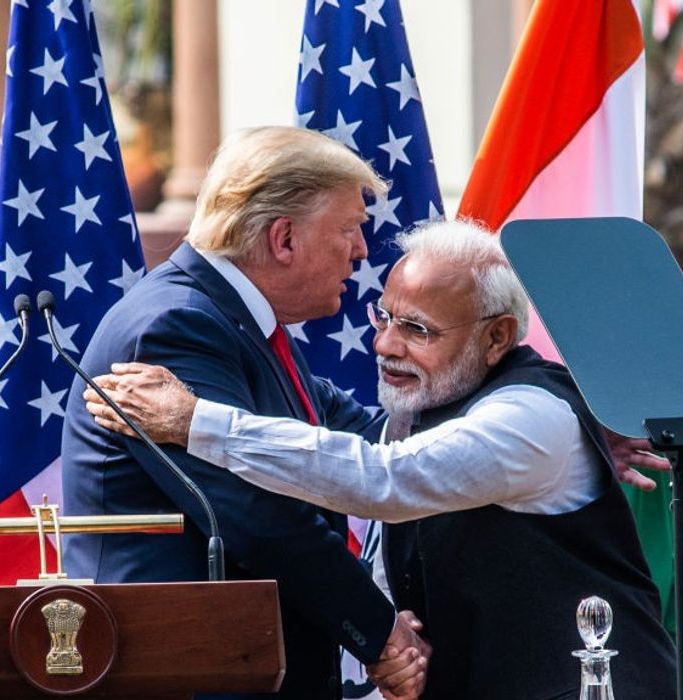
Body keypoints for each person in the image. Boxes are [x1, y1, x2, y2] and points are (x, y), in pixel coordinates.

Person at [85, 221, 680, 699]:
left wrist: (194, 422)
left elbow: (384, 479)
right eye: (385, 317)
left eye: (418, 330)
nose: (385, 345)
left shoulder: (533, 418)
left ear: (497, 338)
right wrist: (390, 643)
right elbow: (364, 472)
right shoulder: (429, 407)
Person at [60, 126, 429, 700]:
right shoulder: (174, 327)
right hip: (184, 671)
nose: (361, 251)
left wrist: (544, 422)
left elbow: (371, 434)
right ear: (284, 238)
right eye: (350, 229)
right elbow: (258, 515)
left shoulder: (237, 321)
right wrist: (382, 635)